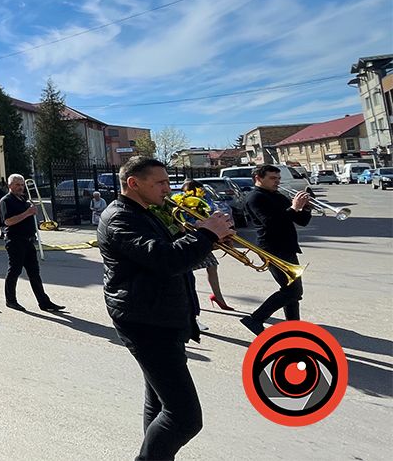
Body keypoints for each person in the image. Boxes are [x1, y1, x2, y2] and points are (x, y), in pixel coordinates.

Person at [97, 156, 232, 460]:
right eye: (159, 182)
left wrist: (208, 236)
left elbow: (171, 254)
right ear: (134, 183)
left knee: (158, 403)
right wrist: (206, 235)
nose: (167, 188)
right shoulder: (120, 217)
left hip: (160, 315)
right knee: (184, 419)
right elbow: (164, 260)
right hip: (146, 321)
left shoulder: (144, 212)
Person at [240, 164, 310, 335]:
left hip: (286, 246)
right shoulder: (255, 197)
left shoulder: (277, 195)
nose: (277, 182)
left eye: (278, 178)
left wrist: (305, 207)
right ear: (258, 178)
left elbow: (301, 221)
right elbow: (271, 223)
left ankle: (293, 326)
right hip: (272, 247)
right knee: (292, 291)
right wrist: (293, 208)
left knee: (292, 292)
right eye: (272, 178)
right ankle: (255, 319)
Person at [0, 174, 65, 312]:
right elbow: (8, 221)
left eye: (22, 184)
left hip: (29, 241)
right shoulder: (6, 201)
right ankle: (10, 300)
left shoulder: (24, 199)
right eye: (17, 184)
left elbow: (29, 215)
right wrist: (27, 213)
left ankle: (44, 302)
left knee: (34, 273)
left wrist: (32, 212)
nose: (20, 187)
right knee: (14, 271)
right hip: (15, 241)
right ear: (10, 185)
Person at [178, 180, 234, 318]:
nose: (201, 192)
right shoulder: (181, 200)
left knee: (212, 266)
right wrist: (197, 223)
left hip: (204, 236)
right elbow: (182, 220)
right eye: (198, 189)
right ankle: (192, 304)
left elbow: (212, 211)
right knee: (188, 274)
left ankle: (218, 297)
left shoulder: (205, 199)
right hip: (192, 237)